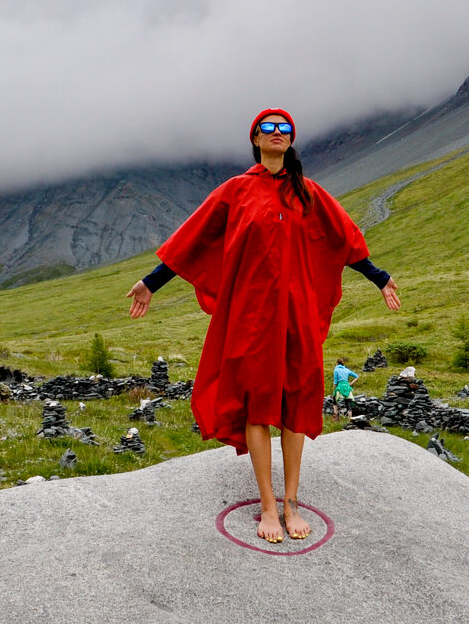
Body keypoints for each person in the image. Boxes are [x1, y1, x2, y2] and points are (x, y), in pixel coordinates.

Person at [126, 109, 400, 543]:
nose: (276, 133)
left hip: (299, 316)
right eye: (268, 128)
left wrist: (379, 277)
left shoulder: (309, 194)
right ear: (255, 137)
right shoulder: (237, 191)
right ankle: (268, 506)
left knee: (297, 399)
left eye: (284, 128)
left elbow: (342, 239)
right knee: (257, 402)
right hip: (252, 319)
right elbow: (195, 239)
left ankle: (292, 502)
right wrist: (152, 283)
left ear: (291, 140)